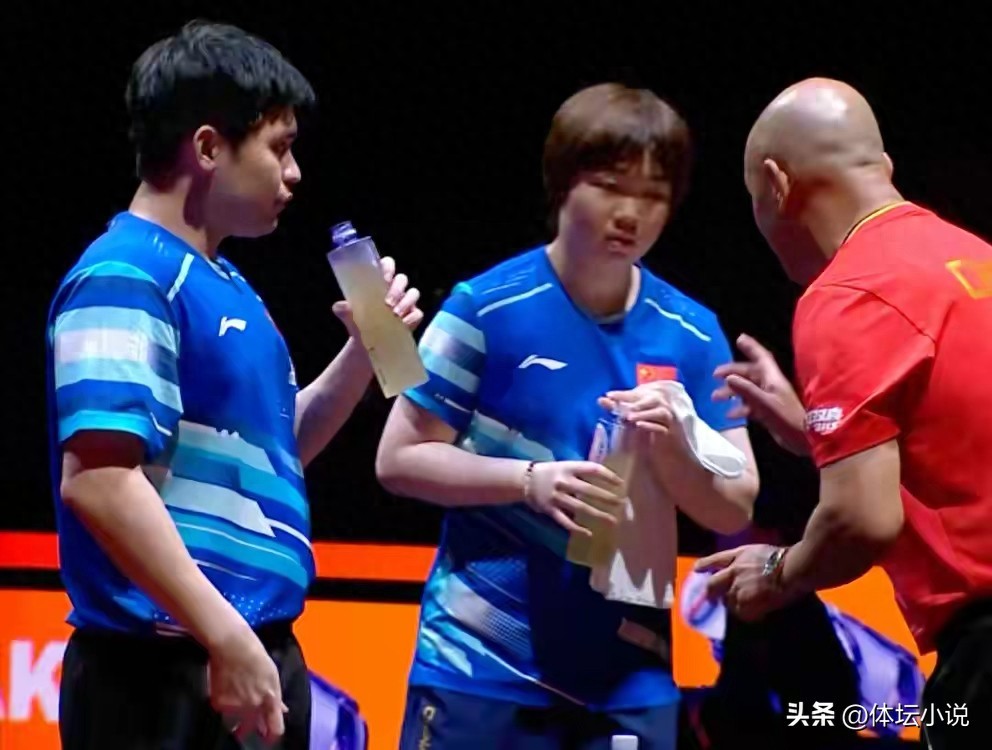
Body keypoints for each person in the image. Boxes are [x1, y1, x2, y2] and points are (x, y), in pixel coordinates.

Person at [47, 20, 422, 750]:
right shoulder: (126, 273)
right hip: (160, 671)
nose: (295, 173)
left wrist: (362, 355)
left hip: (245, 649)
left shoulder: (227, 285)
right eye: (279, 147)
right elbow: (99, 481)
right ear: (208, 147)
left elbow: (276, 455)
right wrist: (226, 636)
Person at [375, 82, 759, 750]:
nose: (630, 214)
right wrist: (527, 482)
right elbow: (399, 459)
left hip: (629, 679)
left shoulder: (695, 334)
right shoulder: (483, 308)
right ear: (562, 183)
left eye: (653, 195)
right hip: (479, 667)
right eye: (609, 187)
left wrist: (673, 446)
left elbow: (734, 507)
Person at [698, 77, 992, 748]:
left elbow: (862, 520)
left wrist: (777, 574)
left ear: (776, 184)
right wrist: (815, 434)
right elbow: (960, 443)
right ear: (880, 166)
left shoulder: (851, 291)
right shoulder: (976, 259)